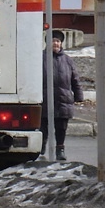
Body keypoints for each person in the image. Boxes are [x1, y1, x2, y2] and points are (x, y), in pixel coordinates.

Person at [42, 29, 84, 161]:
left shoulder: (67, 60)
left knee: (61, 127)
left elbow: (75, 79)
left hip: (63, 98)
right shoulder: (40, 58)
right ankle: (41, 146)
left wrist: (79, 96)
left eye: (58, 41)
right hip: (45, 98)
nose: (55, 43)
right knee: (43, 124)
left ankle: (60, 149)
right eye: (53, 40)